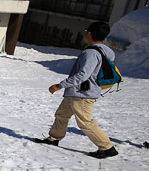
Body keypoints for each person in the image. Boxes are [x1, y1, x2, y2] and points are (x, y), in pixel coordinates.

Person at [34, 21, 118, 159]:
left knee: (85, 122)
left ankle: (107, 147)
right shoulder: (100, 50)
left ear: (89, 33)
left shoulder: (91, 53)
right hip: (76, 92)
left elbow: (82, 75)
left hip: (83, 93)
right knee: (62, 114)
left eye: (86, 31)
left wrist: (60, 85)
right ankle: (54, 138)